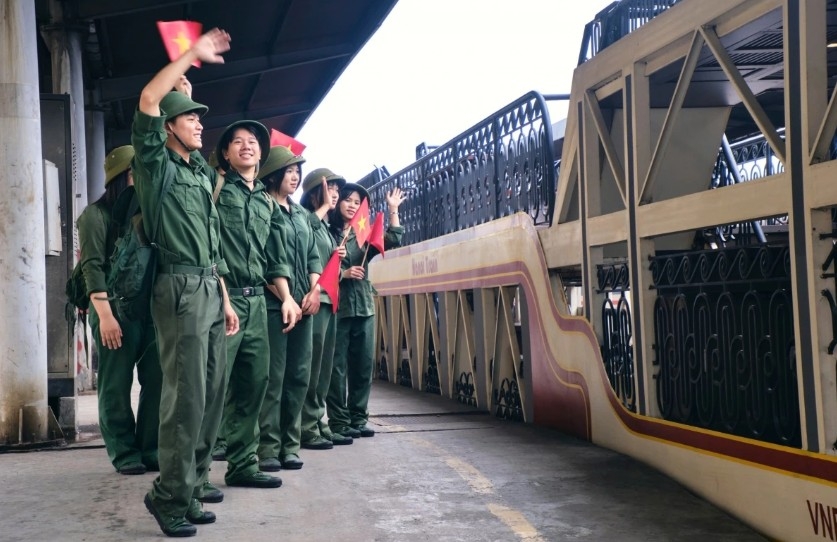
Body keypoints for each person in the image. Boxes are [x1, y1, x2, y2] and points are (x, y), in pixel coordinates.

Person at [131, 28, 239, 537]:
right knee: (186, 397)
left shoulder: (195, 171)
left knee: (213, 392)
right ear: (167, 128)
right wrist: (190, 55)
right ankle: (168, 495)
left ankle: (192, 486)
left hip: (207, 289)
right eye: (192, 119)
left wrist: (222, 296)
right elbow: (152, 98)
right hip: (176, 291)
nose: (200, 125)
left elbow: (209, 244)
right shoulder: (155, 165)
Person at [211, 120, 300, 489]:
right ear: (227, 154)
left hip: (258, 304)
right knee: (214, 387)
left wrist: (288, 297)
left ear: (262, 155)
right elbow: (209, 248)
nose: (246, 146)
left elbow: (274, 258)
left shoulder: (266, 203)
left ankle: (243, 464)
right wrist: (223, 298)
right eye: (237, 142)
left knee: (254, 384)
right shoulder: (215, 191)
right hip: (224, 300)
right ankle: (196, 476)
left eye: (253, 142)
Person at [78, 145, 162, 475]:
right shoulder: (96, 216)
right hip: (114, 310)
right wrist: (106, 316)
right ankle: (124, 450)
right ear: (120, 178)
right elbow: (92, 267)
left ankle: (150, 447)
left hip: (151, 312)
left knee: (157, 380)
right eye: (135, 174)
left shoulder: (148, 216)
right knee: (115, 384)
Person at [257, 146, 321, 472]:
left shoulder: (300, 215)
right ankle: (267, 447)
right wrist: (285, 299)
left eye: (298, 171)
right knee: (273, 378)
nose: (294, 176)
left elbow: (312, 255)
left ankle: (290, 445)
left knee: (298, 376)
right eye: (289, 170)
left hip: (303, 305)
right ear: (273, 172)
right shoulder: (263, 208)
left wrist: (314, 289)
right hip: (274, 306)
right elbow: (264, 260)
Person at [326, 183, 405, 439]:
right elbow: (314, 267)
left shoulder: (363, 234)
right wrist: (342, 273)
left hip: (364, 308)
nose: (351, 205)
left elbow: (393, 239)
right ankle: (339, 421)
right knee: (337, 369)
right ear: (338, 203)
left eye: (357, 202)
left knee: (362, 366)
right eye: (347, 200)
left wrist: (393, 209)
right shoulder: (328, 233)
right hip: (339, 309)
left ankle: (358, 418)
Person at [299, 169, 351, 449]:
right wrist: (321, 209)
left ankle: (319, 420)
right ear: (315, 192)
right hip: (315, 301)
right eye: (329, 187)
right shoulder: (305, 218)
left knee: (324, 368)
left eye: (336, 189)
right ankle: (307, 425)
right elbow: (302, 234)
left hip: (330, 300)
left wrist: (337, 257)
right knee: (312, 365)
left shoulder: (327, 228)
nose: (335, 193)